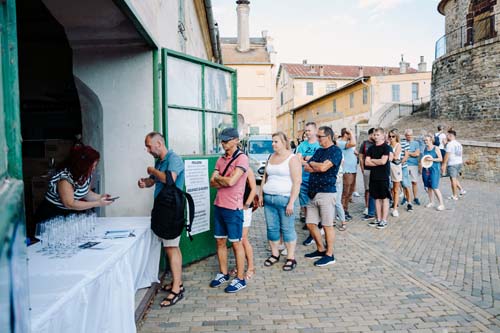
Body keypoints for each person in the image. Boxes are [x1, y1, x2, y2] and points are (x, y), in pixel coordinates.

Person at [138, 132, 185, 307]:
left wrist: (152, 171)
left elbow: (169, 180)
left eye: (149, 146)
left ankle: (176, 291)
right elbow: (155, 181)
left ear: (159, 143)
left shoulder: (174, 159)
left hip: (172, 209)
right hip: (163, 209)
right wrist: (146, 182)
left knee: (172, 247)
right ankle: (177, 283)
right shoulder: (160, 161)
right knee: (171, 247)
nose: (148, 150)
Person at [209, 128, 249, 293]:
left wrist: (220, 179)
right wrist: (221, 179)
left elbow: (232, 182)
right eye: (222, 140)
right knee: (220, 241)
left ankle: (240, 278)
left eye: (226, 140)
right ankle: (223, 273)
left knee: (236, 243)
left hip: (233, 207)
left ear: (235, 140)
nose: (223, 143)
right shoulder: (220, 159)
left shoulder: (242, 159)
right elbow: (212, 182)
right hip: (219, 205)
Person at [34, 145, 114, 226]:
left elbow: (86, 193)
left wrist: (101, 197)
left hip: (69, 215)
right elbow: (70, 203)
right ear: (83, 164)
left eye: (95, 165)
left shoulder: (86, 174)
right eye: (92, 165)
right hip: (52, 216)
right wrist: (98, 203)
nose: (94, 168)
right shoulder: (65, 178)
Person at [259, 132, 301, 271]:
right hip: (269, 200)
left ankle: (290, 257)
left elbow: (297, 182)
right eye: (272, 141)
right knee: (272, 229)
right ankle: (275, 254)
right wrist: (260, 194)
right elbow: (265, 177)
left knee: (287, 229)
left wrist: (291, 202)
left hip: (284, 199)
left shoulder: (292, 158)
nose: (273, 144)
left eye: (276, 141)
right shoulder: (271, 156)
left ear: (284, 142)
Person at [303, 126, 343, 267]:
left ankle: (329, 254)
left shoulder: (336, 151)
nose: (318, 139)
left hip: (326, 192)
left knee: (327, 225)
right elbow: (307, 167)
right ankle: (320, 249)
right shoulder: (319, 151)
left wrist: (313, 164)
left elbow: (322, 168)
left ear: (329, 137)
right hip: (313, 192)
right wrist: (315, 165)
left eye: (320, 136)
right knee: (310, 223)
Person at [229, 167, 257, 279]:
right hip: (232, 207)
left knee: (243, 238)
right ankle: (239, 266)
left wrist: (246, 205)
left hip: (244, 209)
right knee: (236, 240)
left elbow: (254, 188)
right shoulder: (230, 167)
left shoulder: (247, 169)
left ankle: (251, 267)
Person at [296, 122, 321, 245]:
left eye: (309, 130)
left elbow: (321, 161)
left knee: (317, 206)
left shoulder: (320, 145)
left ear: (315, 130)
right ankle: (311, 232)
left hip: (317, 181)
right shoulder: (302, 145)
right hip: (304, 180)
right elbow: (298, 159)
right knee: (306, 206)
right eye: (306, 130)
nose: (307, 133)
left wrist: (307, 159)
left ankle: (318, 229)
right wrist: (310, 160)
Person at [365, 128, 392, 229]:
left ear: (383, 135)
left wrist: (373, 160)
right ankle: (378, 219)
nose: (375, 136)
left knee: (384, 198)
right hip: (374, 176)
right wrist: (377, 161)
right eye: (374, 135)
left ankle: (384, 220)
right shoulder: (371, 148)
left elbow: (383, 162)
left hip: (383, 176)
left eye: (377, 135)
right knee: (376, 198)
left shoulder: (386, 147)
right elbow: (366, 162)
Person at [336, 128, 357, 221]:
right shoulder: (340, 143)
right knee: (345, 192)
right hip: (346, 170)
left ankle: (345, 209)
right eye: (350, 133)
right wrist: (351, 132)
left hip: (353, 169)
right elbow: (353, 143)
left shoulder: (349, 143)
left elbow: (354, 150)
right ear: (346, 134)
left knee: (350, 192)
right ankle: (341, 212)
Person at [422, 134, 445, 211]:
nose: (425, 142)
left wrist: (432, 159)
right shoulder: (425, 148)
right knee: (428, 186)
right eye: (424, 140)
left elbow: (440, 159)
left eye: (427, 140)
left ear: (431, 140)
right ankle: (431, 202)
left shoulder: (436, 148)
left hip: (435, 170)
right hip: (426, 169)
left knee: (434, 186)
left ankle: (441, 204)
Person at [441, 129, 465, 200]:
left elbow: (446, 155)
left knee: (453, 179)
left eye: (447, 135)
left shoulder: (450, 144)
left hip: (452, 164)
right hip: (459, 162)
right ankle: (461, 190)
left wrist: (443, 165)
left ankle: (455, 195)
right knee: (453, 177)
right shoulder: (459, 144)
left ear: (450, 136)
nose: (446, 137)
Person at [358, 128, 376, 220]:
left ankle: (374, 207)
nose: (375, 136)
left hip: (376, 170)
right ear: (370, 134)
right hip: (367, 170)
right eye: (374, 134)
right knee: (367, 189)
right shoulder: (365, 143)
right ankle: (367, 207)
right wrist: (362, 169)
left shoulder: (377, 143)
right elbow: (361, 157)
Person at [404, 129, 421, 206]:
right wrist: (411, 153)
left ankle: (415, 197)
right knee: (405, 183)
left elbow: (417, 154)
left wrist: (407, 153)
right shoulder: (403, 143)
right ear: (405, 136)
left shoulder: (416, 143)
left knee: (414, 182)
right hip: (405, 164)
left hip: (414, 164)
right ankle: (405, 197)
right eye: (407, 135)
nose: (409, 137)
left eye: (410, 135)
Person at [388, 129, 402, 217]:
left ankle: (395, 208)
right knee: (390, 188)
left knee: (396, 189)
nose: (391, 138)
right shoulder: (388, 145)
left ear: (396, 137)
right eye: (389, 136)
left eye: (393, 136)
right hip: (387, 167)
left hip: (395, 167)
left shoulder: (398, 145)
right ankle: (392, 202)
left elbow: (396, 157)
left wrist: (389, 154)